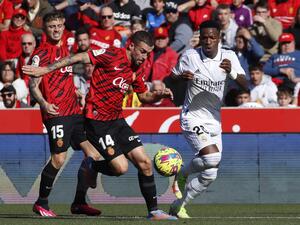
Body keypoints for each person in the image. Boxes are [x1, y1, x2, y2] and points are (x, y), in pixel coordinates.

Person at [23, 30, 177, 221]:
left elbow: (144, 96)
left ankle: (154, 211)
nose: (145, 57)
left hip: (117, 120)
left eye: (148, 53)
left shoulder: (138, 68)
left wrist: (159, 95)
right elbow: (80, 56)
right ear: (131, 46)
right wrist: (46, 70)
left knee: (145, 162)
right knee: (120, 168)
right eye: (142, 51)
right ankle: (92, 165)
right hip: (96, 122)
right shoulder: (112, 54)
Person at [169, 20, 248, 218]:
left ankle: (179, 205)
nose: (208, 41)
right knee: (212, 158)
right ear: (200, 38)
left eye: (212, 37)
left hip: (214, 120)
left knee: (210, 173)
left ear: (219, 38)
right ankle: (181, 174)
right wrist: (181, 78)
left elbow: (246, 85)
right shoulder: (190, 56)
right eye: (204, 37)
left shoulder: (229, 56)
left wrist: (231, 71)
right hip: (192, 117)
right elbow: (172, 76)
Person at [27, 11, 101, 217]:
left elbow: (62, 77)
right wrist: (43, 103)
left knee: (93, 155)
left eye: (59, 25)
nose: (57, 29)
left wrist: (75, 91)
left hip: (75, 112)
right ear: (45, 29)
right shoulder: (39, 54)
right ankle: (41, 203)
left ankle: (79, 202)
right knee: (58, 159)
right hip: (57, 113)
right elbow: (33, 85)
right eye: (52, 26)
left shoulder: (66, 49)